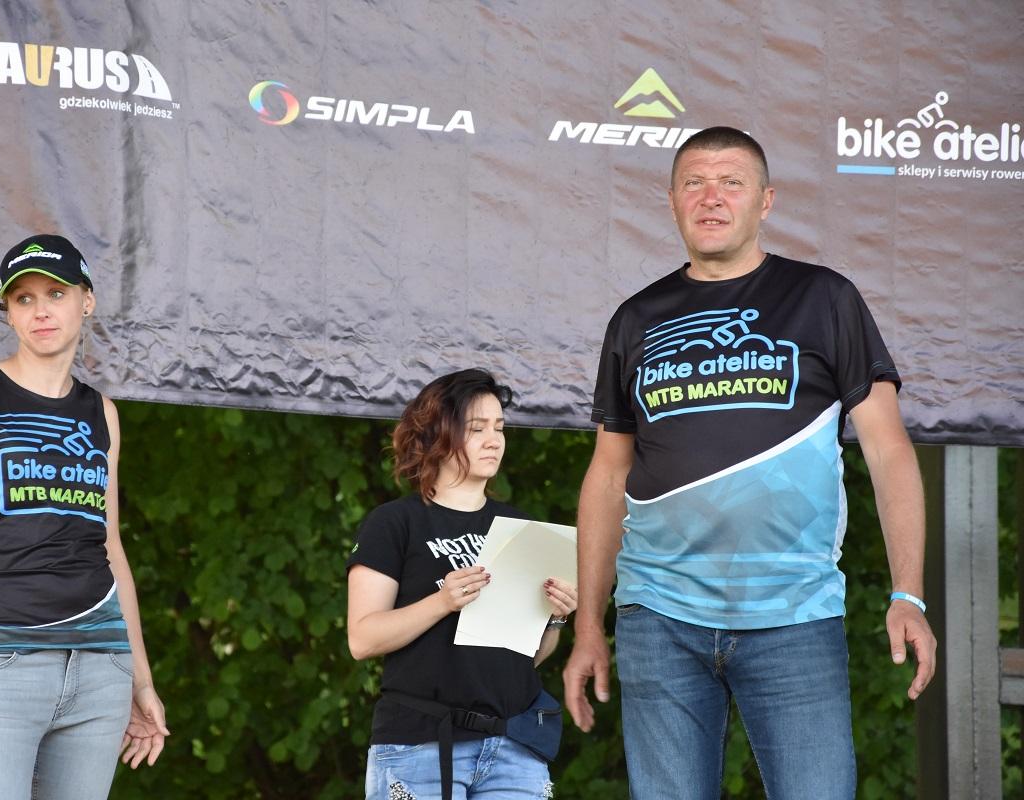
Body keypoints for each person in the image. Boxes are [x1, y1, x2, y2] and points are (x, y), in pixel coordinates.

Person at [562, 127, 937, 799]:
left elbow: (888, 449)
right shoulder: (636, 319)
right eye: (694, 183)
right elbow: (608, 474)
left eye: (731, 182)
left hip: (794, 616)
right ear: (671, 200)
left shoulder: (824, 298)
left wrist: (907, 593)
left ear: (765, 201)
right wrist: (589, 624)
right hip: (658, 617)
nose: (711, 197)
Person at [0, 234, 169, 799]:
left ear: (86, 301)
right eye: (23, 299)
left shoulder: (101, 412)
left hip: (100, 670)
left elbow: (110, 547)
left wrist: (140, 679)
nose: (40, 310)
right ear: (9, 312)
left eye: (55, 293)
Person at [347, 369, 577, 800]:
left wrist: (556, 618)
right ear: (437, 434)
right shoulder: (394, 522)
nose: (494, 440)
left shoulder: (522, 527)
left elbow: (527, 658)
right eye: (477, 428)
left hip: (514, 746)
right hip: (420, 744)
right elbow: (362, 639)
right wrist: (442, 601)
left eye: (499, 428)